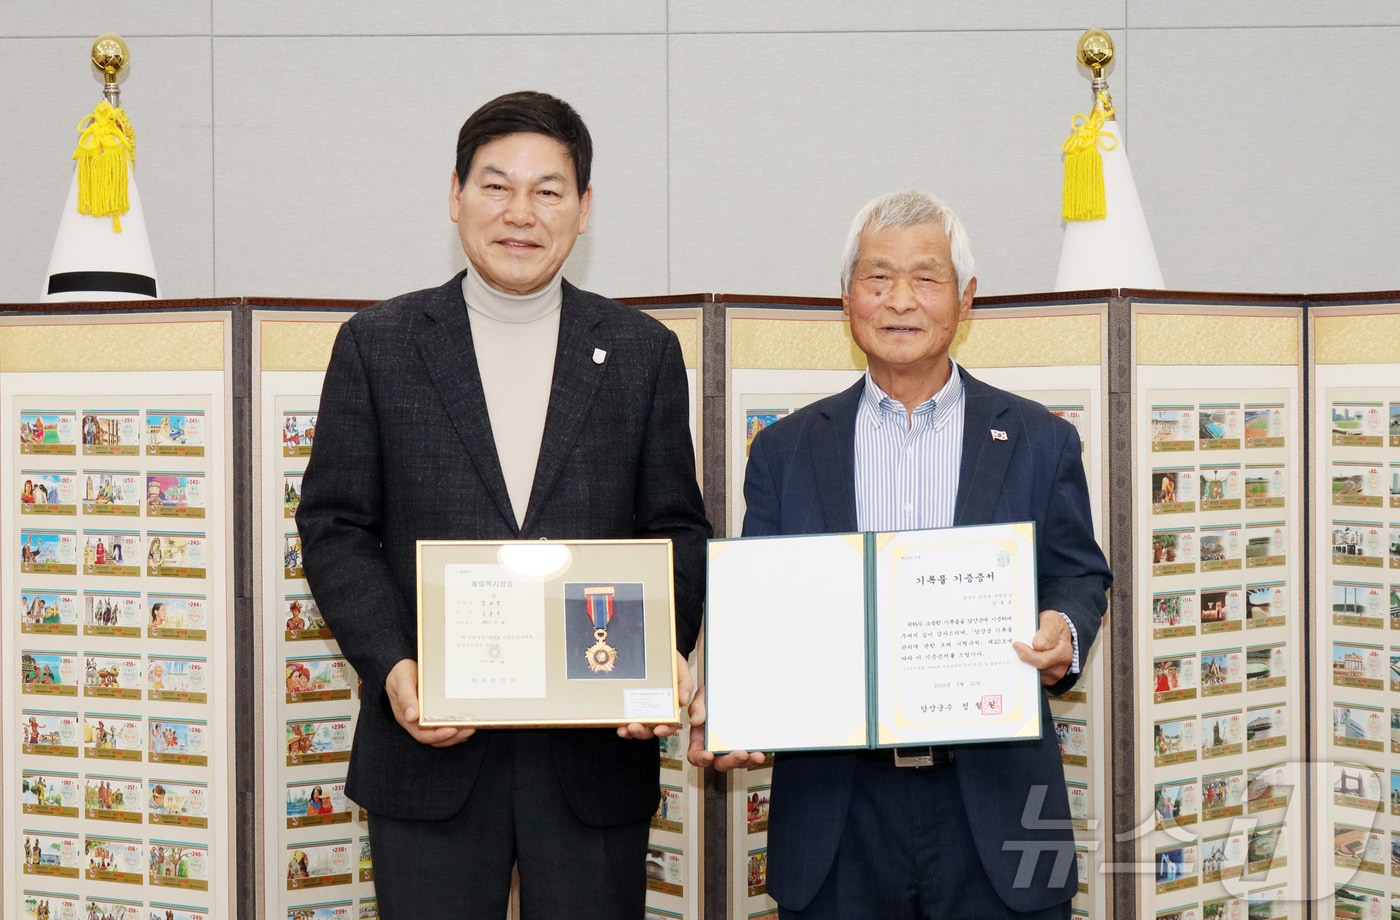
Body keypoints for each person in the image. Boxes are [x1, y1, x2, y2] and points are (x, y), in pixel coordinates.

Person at [295, 90, 710, 919]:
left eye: (549, 191)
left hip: (593, 757)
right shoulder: (378, 344)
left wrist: (660, 652)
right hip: (430, 749)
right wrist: (395, 669)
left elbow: (676, 529)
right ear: (455, 195)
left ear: (583, 209)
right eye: (496, 186)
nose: (521, 213)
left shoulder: (641, 353)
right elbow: (336, 526)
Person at [688, 190, 1110, 920]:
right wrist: (735, 701)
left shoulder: (1041, 439)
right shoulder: (786, 451)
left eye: (926, 278)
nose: (900, 300)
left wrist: (1062, 631)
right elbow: (763, 605)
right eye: (878, 277)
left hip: (999, 801)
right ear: (846, 298)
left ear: (966, 299)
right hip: (836, 810)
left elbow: (1079, 573)